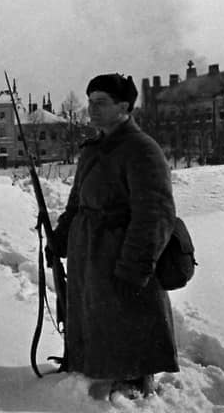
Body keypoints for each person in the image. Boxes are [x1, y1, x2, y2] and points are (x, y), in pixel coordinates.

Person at [50, 73, 178, 399]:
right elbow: (77, 201)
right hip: (89, 249)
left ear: (124, 107)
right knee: (93, 314)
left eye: (101, 103)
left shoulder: (142, 150)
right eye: (90, 102)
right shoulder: (95, 148)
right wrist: (61, 238)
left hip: (121, 250)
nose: (91, 109)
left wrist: (135, 265)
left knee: (126, 316)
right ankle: (96, 369)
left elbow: (155, 214)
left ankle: (133, 385)